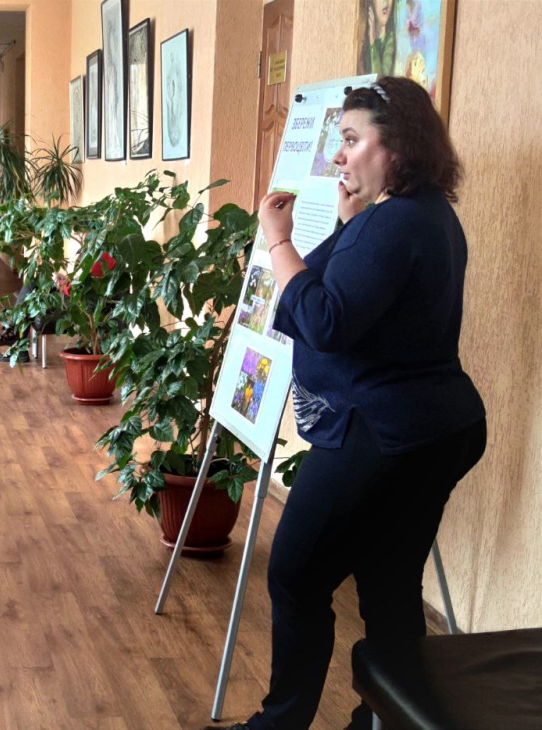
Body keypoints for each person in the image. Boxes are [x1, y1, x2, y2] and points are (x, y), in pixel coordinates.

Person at [203, 77, 486, 730]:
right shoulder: (423, 213)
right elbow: (348, 277)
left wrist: (277, 241)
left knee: (296, 574)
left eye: (353, 140)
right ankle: (385, 721)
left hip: (382, 432)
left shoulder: (396, 222)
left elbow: (323, 320)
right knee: (389, 581)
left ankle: (281, 723)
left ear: (399, 146)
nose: (338, 154)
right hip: (437, 427)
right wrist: (349, 222)